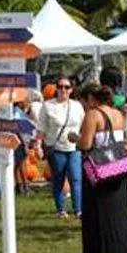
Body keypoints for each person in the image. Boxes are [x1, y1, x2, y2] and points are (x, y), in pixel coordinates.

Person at [77, 83, 127, 253]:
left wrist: (74, 139)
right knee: (119, 215)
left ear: (92, 99)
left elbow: (86, 144)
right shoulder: (118, 114)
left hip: (100, 169)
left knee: (98, 215)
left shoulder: (93, 115)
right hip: (117, 166)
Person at [39, 76, 85, 218]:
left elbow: (83, 124)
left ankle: (78, 210)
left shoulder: (77, 105)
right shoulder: (48, 106)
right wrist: (39, 144)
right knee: (58, 178)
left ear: (71, 90)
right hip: (56, 147)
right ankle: (61, 210)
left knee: (76, 178)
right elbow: (42, 128)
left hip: (74, 148)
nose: (63, 90)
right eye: (60, 86)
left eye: (66, 87)